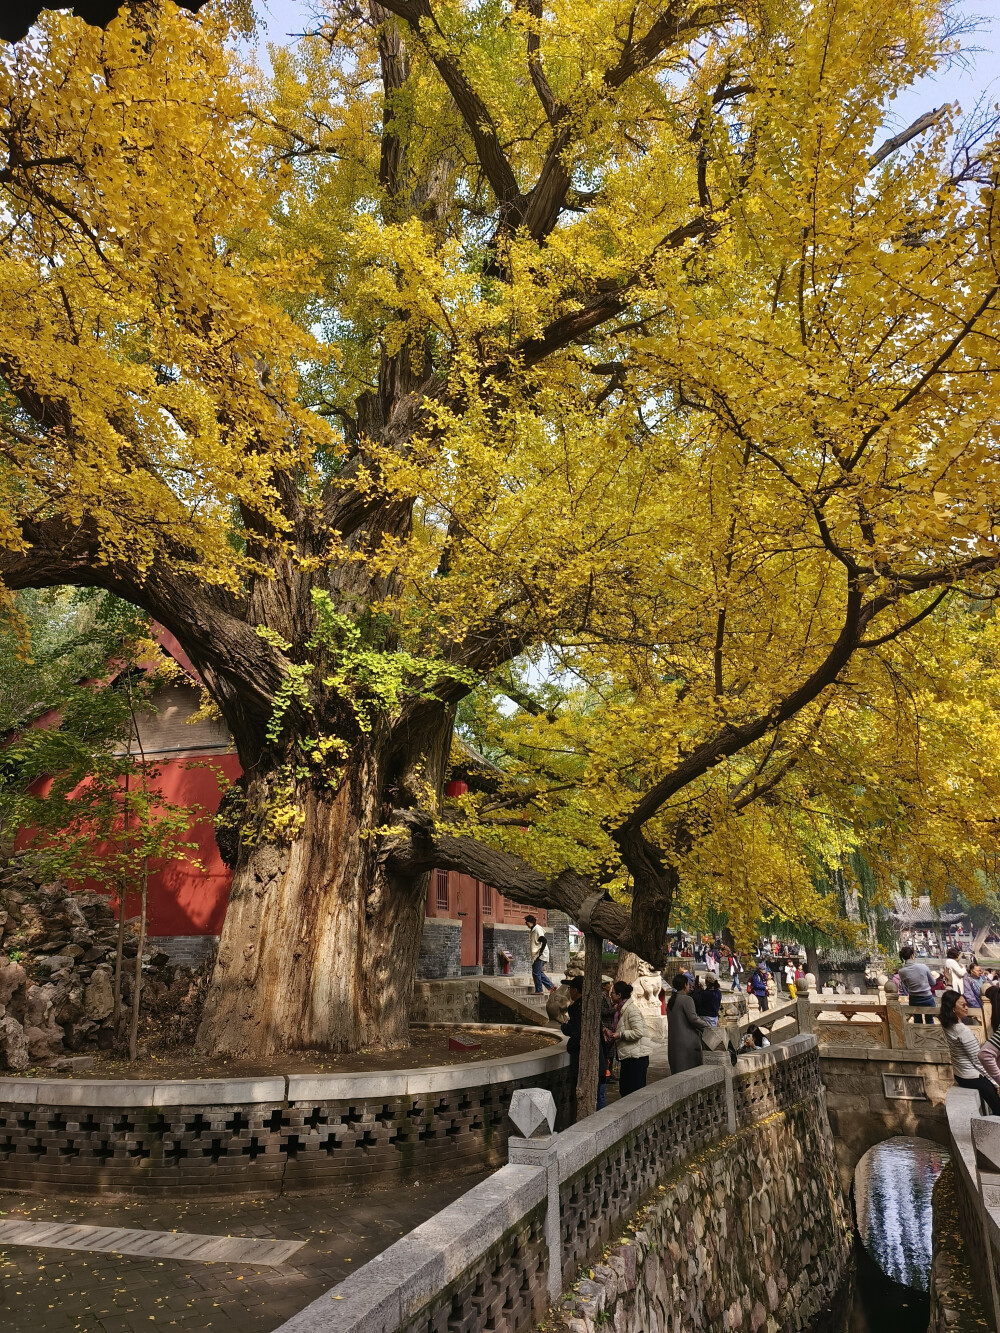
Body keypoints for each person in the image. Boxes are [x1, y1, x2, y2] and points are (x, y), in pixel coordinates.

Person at [939, 988, 1000, 1114]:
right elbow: (979, 1061)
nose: (967, 1008)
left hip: (959, 1074)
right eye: (963, 1005)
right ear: (952, 1009)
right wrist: (996, 1083)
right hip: (972, 1076)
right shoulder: (963, 1031)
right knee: (997, 1105)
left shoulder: (947, 1025)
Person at [612, 980, 652, 1095]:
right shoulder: (621, 1010)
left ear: (619, 995)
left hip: (637, 1058)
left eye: (613, 993)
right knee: (625, 1091)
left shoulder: (631, 1010)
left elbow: (638, 1032)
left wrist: (621, 1034)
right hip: (628, 1056)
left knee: (634, 1093)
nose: (611, 995)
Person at [666, 973, 709, 1074]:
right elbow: (693, 1019)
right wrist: (707, 1026)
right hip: (687, 1044)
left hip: (674, 1043)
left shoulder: (671, 1001)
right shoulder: (687, 999)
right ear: (685, 985)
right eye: (689, 984)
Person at [898, 944, 936, 1024]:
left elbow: (905, 985)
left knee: (917, 1021)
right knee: (930, 1020)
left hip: (914, 999)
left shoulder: (901, 971)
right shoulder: (923, 967)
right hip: (927, 998)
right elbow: (933, 982)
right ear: (912, 956)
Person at [525, 915, 555, 995]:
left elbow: (544, 940)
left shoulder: (537, 929)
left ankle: (539, 990)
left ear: (529, 922)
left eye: (526, 923)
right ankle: (551, 986)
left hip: (540, 954)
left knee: (536, 972)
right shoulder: (533, 929)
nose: (526, 924)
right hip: (538, 954)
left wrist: (541, 952)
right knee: (538, 972)